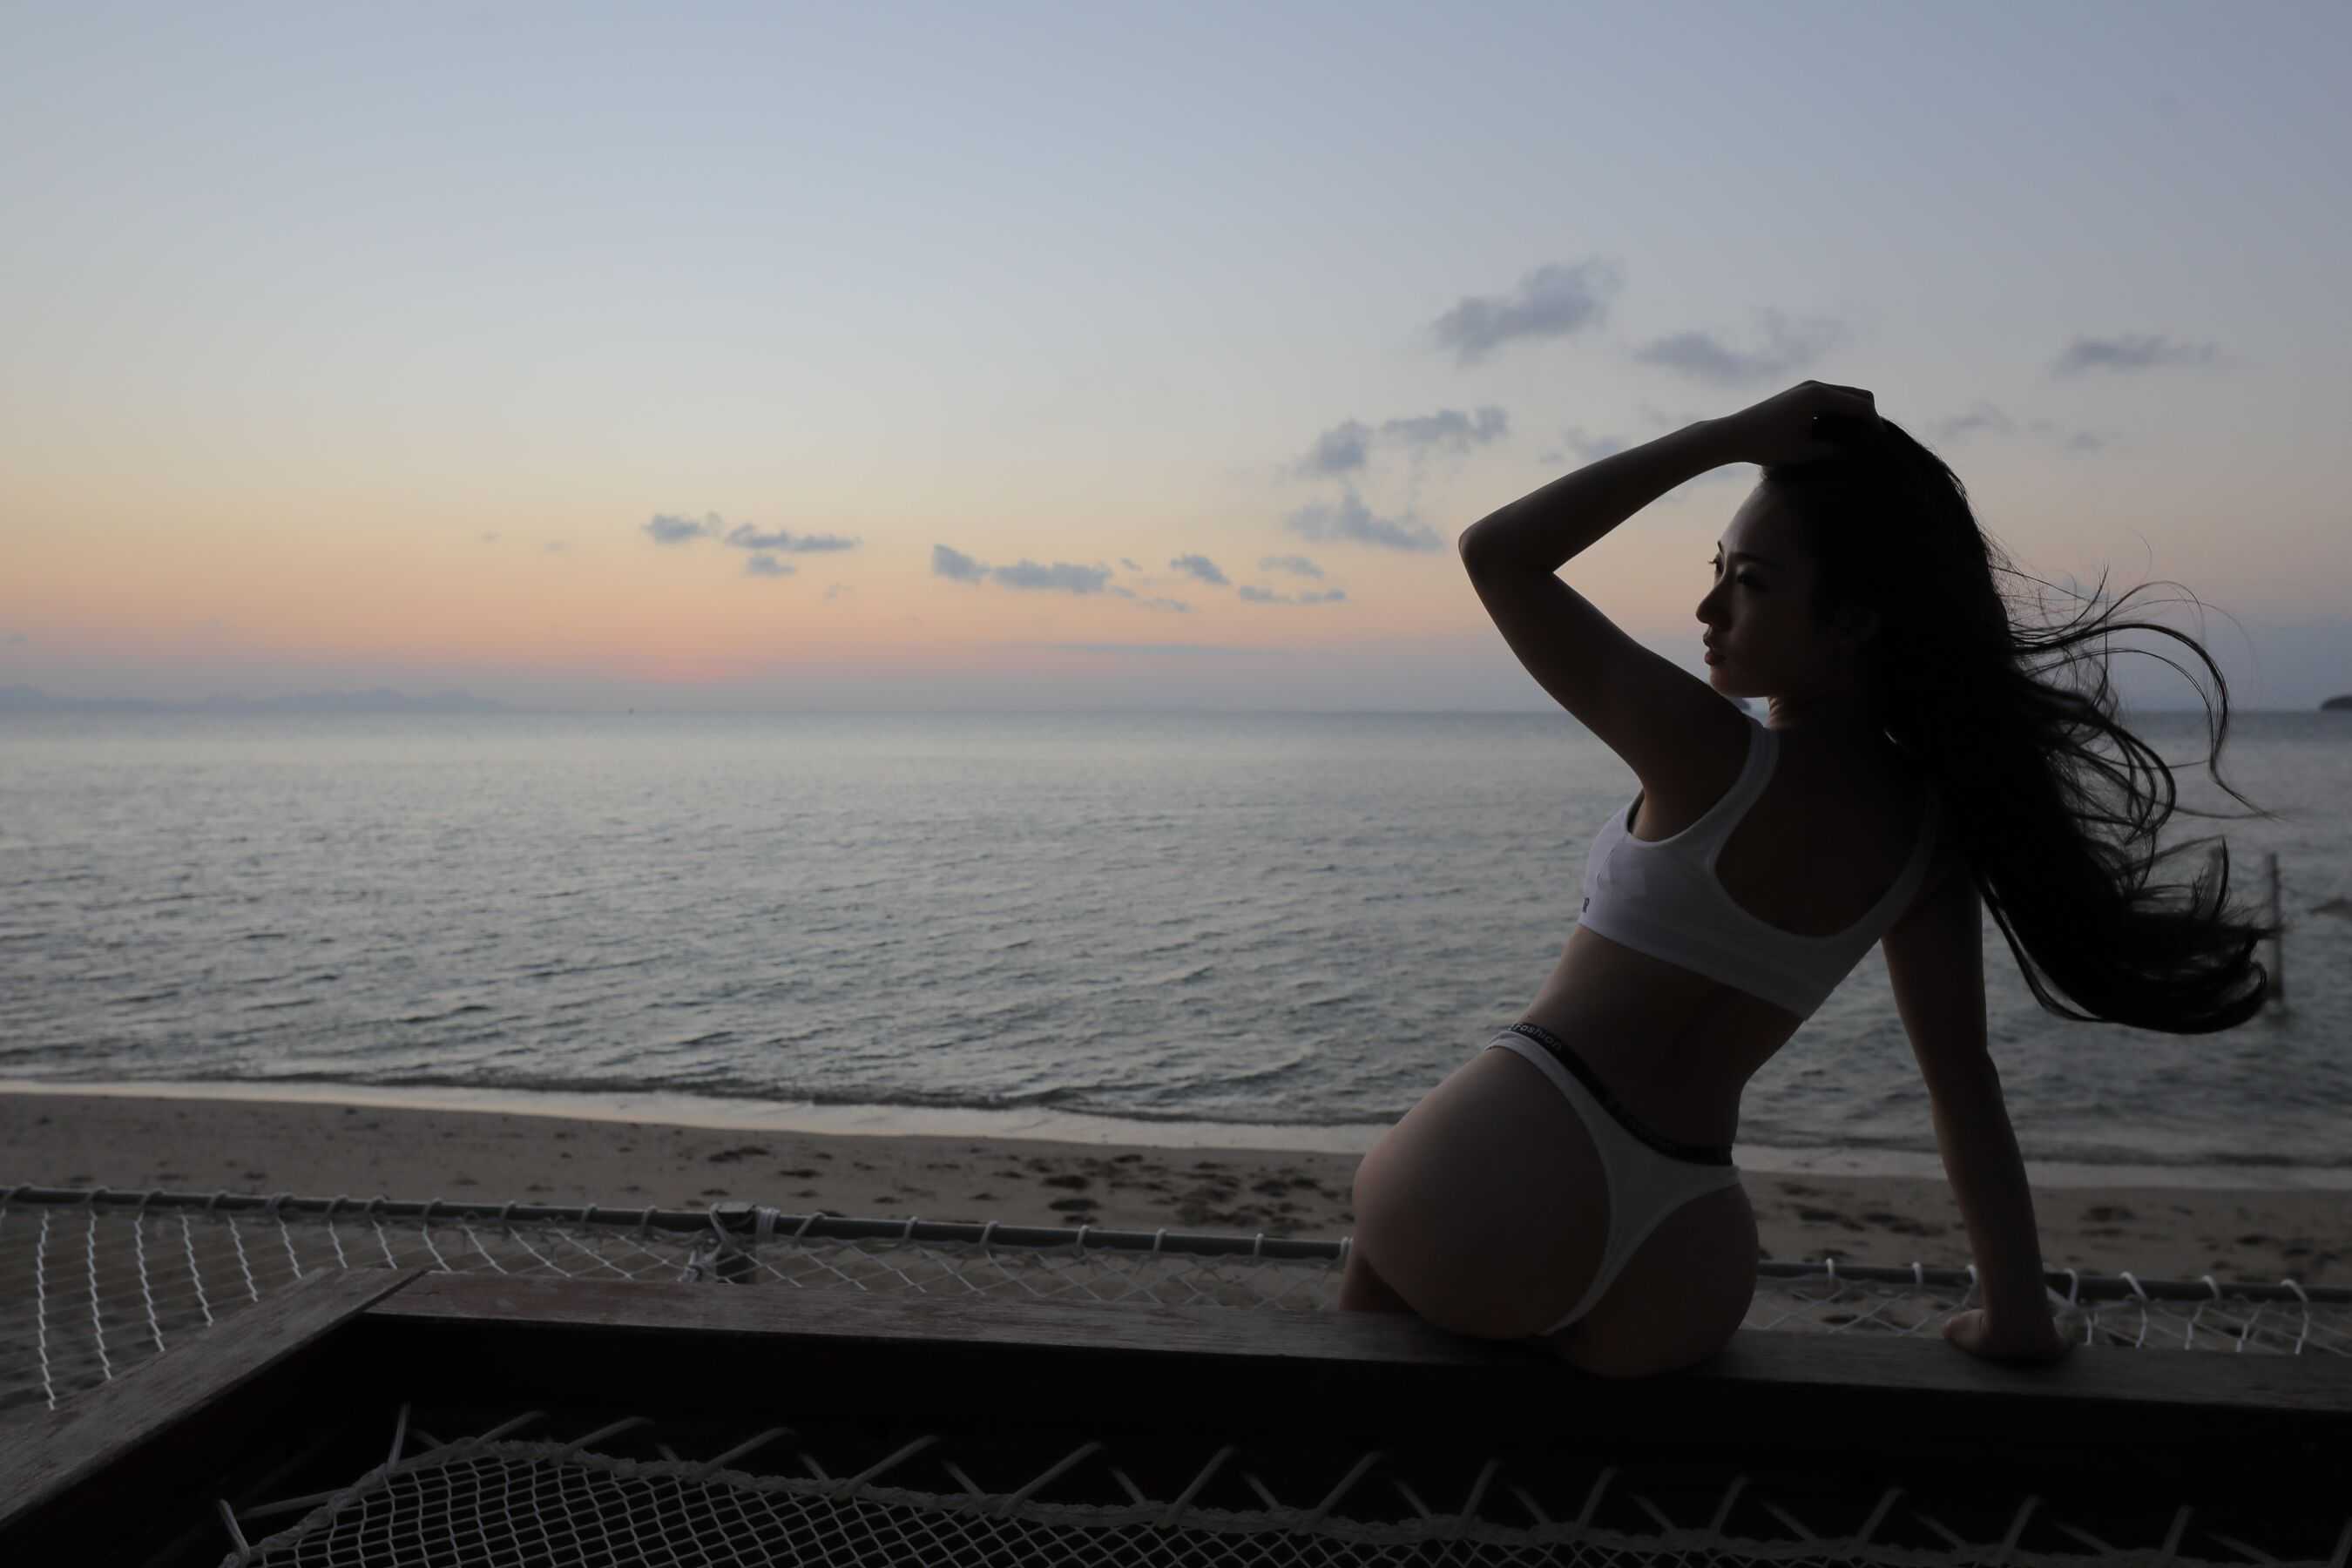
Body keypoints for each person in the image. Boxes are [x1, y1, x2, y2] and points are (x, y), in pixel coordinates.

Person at [1340, 381, 2279, 1377]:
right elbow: (1963, 1084)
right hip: (1685, 1248)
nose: (1708, 607)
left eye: (1749, 581)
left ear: (1854, 622)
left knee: (1348, 1438)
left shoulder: (1708, 754)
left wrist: (1725, 438)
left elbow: (1499, 553)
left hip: (1494, 1175)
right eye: (1716, 570)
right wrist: (2016, 1313)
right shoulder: (1930, 840)